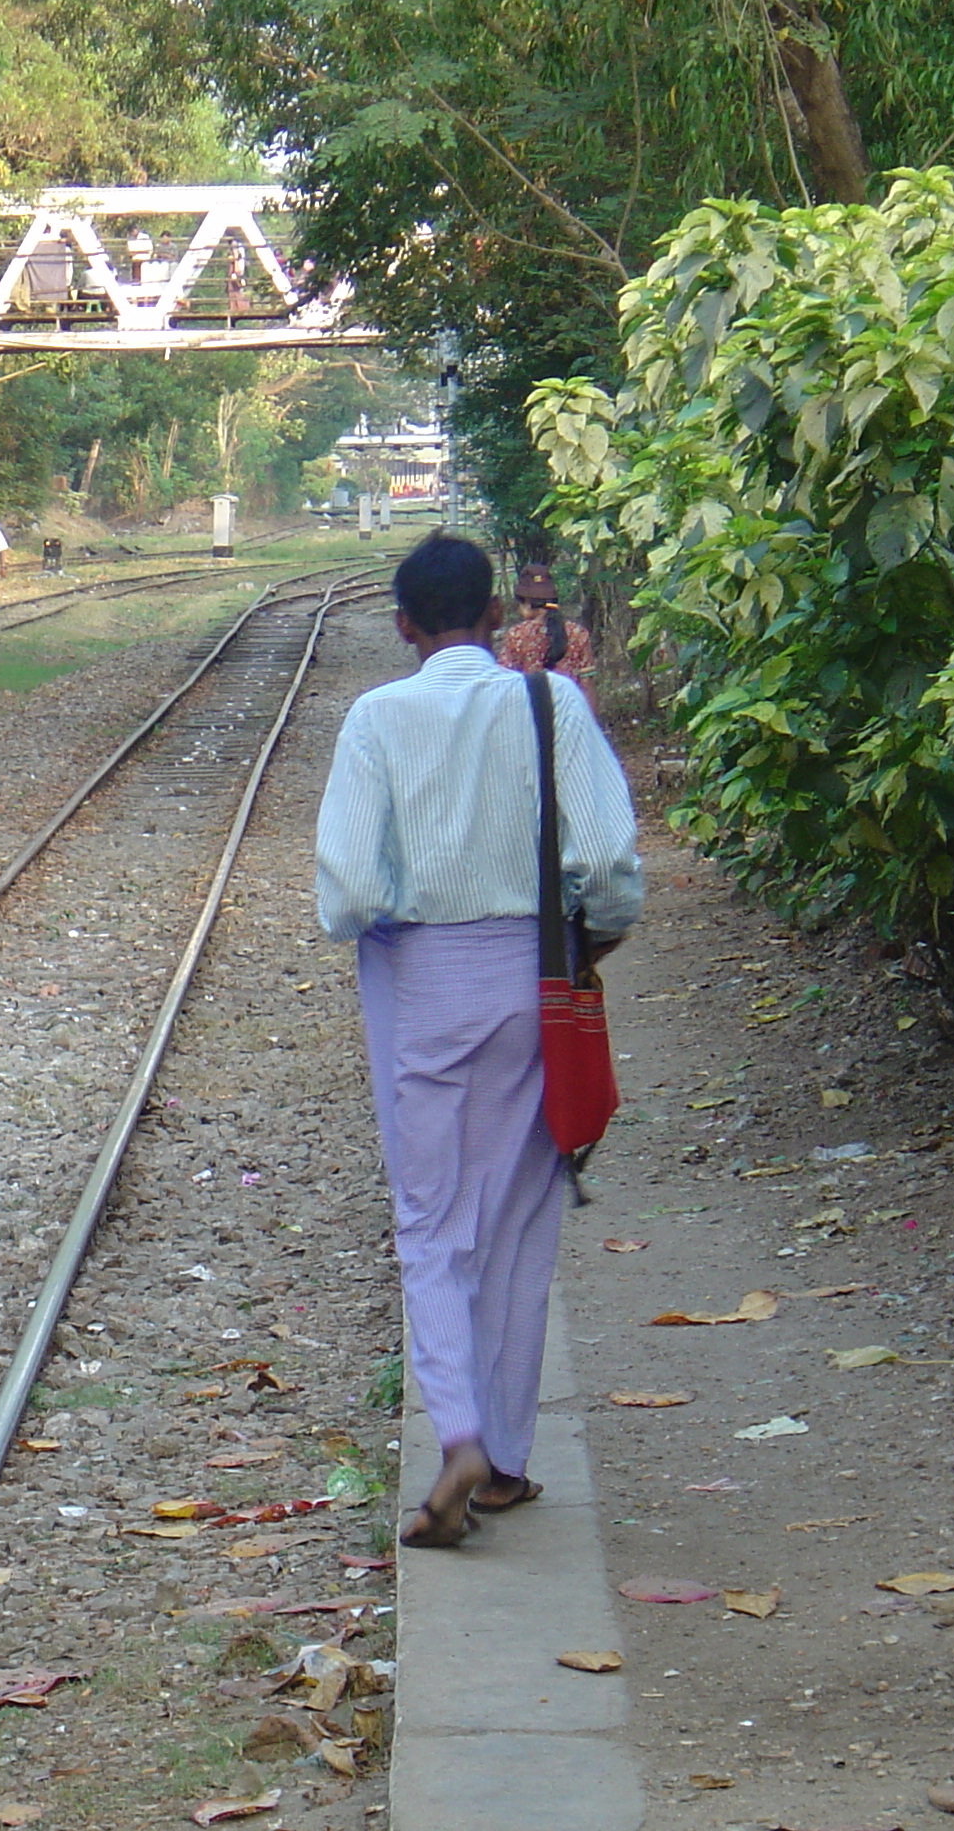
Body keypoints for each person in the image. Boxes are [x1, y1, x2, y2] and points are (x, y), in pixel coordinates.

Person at [314, 535, 642, 1549]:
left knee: (431, 1220)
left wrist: (406, 919)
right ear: (498, 614)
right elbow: (610, 865)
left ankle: (454, 1432)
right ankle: (503, 1461)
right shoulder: (552, 706)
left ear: (404, 625)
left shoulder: (377, 718)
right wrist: (583, 942)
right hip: (531, 981)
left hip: (420, 988)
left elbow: (350, 894)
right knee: (516, 1219)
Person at [495, 562, 598, 706]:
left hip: (532, 718)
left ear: (527, 603)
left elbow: (504, 684)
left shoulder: (516, 636)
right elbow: (587, 685)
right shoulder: (578, 634)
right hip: (571, 715)